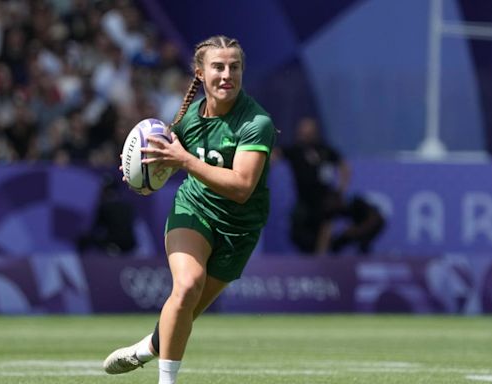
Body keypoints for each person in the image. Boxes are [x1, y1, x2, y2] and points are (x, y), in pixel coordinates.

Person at [102, 35, 276, 384]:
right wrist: (137, 167)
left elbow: (242, 188)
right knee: (187, 287)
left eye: (235, 67)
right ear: (200, 72)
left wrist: (183, 160)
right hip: (193, 210)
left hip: (239, 229)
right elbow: (159, 159)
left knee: (186, 311)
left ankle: (149, 347)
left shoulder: (256, 123)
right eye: (218, 67)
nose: (227, 75)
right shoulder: (187, 120)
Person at [281, 116, 350, 255]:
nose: (306, 135)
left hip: (324, 199)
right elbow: (274, 155)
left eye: (309, 131)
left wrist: (340, 190)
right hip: (304, 199)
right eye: (303, 131)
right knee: (298, 230)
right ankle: (310, 258)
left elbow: (344, 167)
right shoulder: (295, 150)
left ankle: (321, 257)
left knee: (326, 221)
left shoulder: (325, 150)